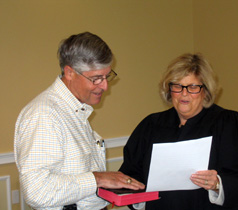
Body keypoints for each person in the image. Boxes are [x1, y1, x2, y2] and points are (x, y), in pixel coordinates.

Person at [14, 32, 144, 210]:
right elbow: (37, 191)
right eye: (96, 78)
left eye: (107, 76)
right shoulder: (44, 115)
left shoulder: (74, 111)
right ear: (70, 73)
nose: (105, 86)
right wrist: (98, 178)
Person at [119, 53, 238, 210]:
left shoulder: (228, 123)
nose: (184, 93)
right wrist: (136, 195)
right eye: (177, 86)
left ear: (205, 91)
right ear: (169, 90)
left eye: (193, 87)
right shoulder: (150, 125)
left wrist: (217, 184)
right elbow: (130, 174)